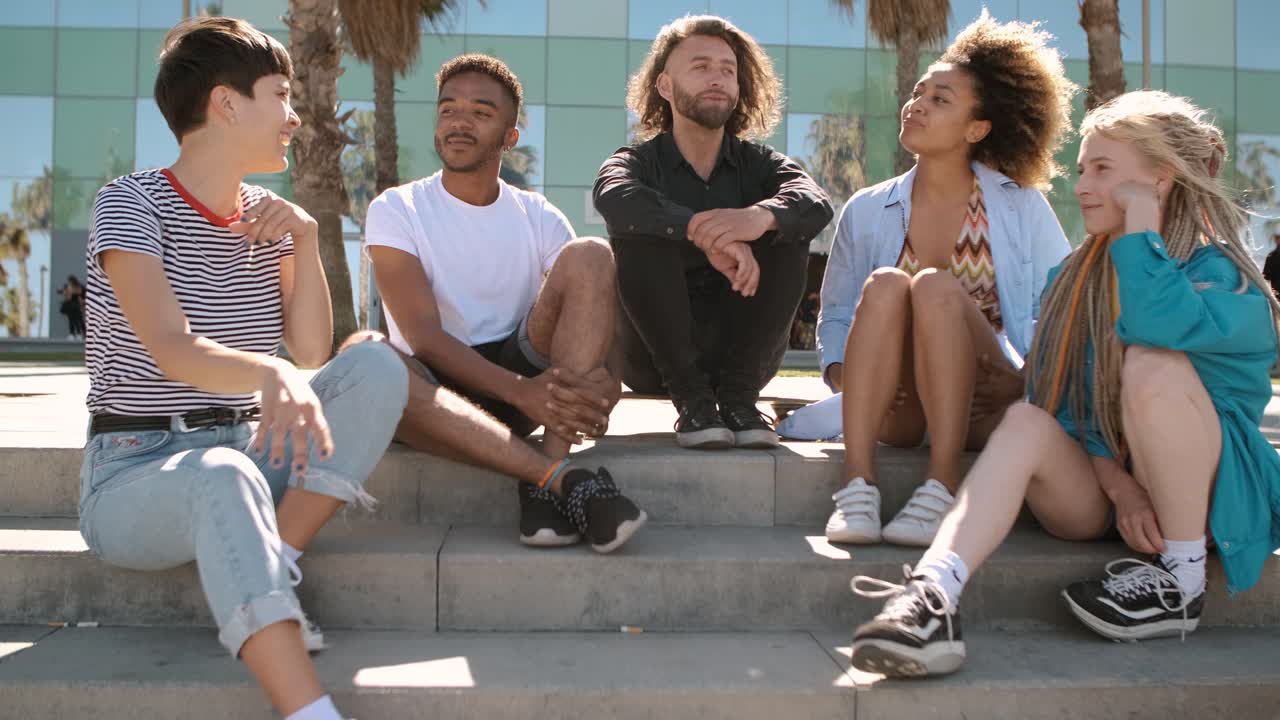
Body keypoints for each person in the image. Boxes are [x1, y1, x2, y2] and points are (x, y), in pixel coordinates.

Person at [849, 90, 1280, 678]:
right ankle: (932, 596)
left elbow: (1157, 323)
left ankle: (1182, 583)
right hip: (1104, 488)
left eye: (1103, 170)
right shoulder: (1074, 278)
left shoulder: (1225, 278)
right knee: (1025, 420)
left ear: (1161, 180)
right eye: (1082, 169)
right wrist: (1119, 488)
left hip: (1204, 499)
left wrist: (1141, 228)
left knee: (1152, 363)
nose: (1081, 186)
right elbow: (1060, 402)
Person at [78, 18, 407, 720]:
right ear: (227, 104)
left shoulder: (271, 218)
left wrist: (308, 237)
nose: (295, 117)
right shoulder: (129, 203)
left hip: (248, 451)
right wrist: (273, 376)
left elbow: (314, 351)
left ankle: (275, 559)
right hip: (136, 468)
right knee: (221, 476)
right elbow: (171, 348)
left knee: (375, 365)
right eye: (281, 95)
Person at [800, 12, 1075, 547]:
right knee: (883, 285)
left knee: (934, 288)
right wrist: (841, 375)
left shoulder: (1021, 208)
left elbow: (1059, 309)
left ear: (977, 129)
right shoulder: (867, 208)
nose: (917, 104)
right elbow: (836, 312)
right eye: (918, 93)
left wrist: (1027, 380)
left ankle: (942, 484)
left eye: (940, 99)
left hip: (986, 402)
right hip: (900, 408)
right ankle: (857, 487)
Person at [363, 54, 646, 553]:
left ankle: (544, 488)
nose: (459, 123)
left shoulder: (536, 214)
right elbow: (425, 337)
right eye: (448, 110)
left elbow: (595, 300)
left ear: (510, 137)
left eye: (480, 112)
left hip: (522, 374)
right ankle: (558, 482)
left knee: (590, 254)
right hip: (433, 395)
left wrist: (607, 383)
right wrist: (524, 393)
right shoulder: (397, 208)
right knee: (372, 356)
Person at [594, 15, 833, 450]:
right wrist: (699, 230)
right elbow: (613, 194)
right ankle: (693, 402)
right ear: (665, 86)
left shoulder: (760, 164)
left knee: (788, 227)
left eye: (727, 69)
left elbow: (814, 201)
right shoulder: (638, 161)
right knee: (640, 230)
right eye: (701, 66)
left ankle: (740, 402)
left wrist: (759, 217)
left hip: (742, 358)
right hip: (652, 358)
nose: (717, 78)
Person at [59, 274, 85, 339]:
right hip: (75, 305)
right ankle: (77, 334)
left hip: (72, 305)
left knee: (73, 320)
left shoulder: (70, 287)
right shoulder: (79, 286)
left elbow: (68, 297)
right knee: (76, 320)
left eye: (69, 281)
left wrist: (65, 292)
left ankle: (73, 334)